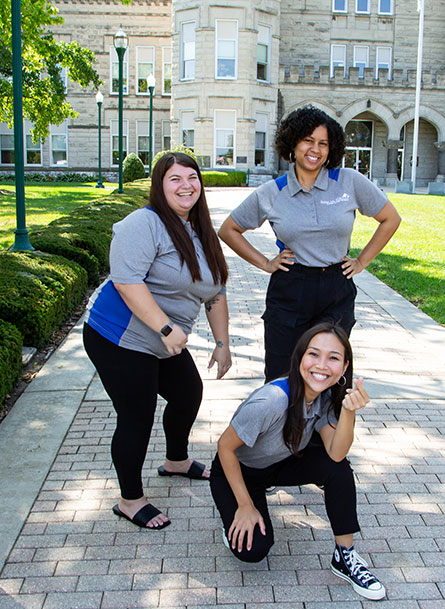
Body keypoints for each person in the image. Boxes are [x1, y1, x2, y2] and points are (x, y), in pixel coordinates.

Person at [83, 152, 231, 530]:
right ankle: (130, 500)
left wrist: (222, 343)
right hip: (119, 336)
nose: (186, 185)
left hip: (163, 339)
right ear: (159, 187)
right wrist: (167, 328)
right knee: (137, 415)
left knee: (187, 393)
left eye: (192, 177)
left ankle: (176, 461)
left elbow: (215, 293)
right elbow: (126, 281)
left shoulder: (199, 231)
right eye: (174, 179)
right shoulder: (144, 223)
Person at [218, 104, 401, 382]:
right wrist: (266, 263)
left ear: (331, 149)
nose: (315, 149)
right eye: (308, 140)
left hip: (336, 289)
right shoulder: (272, 192)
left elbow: (390, 219)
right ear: (293, 144)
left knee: (330, 378)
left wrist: (362, 261)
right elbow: (229, 229)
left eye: (323, 143)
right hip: (291, 287)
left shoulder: (348, 181)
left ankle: (329, 427)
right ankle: (283, 426)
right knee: (282, 377)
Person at [210, 322, 385, 601]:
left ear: (344, 367)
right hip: (239, 471)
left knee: (338, 469)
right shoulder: (272, 400)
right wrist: (244, 505)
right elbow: (224, 447)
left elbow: (336, 453)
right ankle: (230, 514)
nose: (322, 365)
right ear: (300, 357)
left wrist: (349, 411)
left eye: (333, 358)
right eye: (314, 354)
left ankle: (345, 556)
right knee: (253, 551)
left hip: (279, 464)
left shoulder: (326, 397)